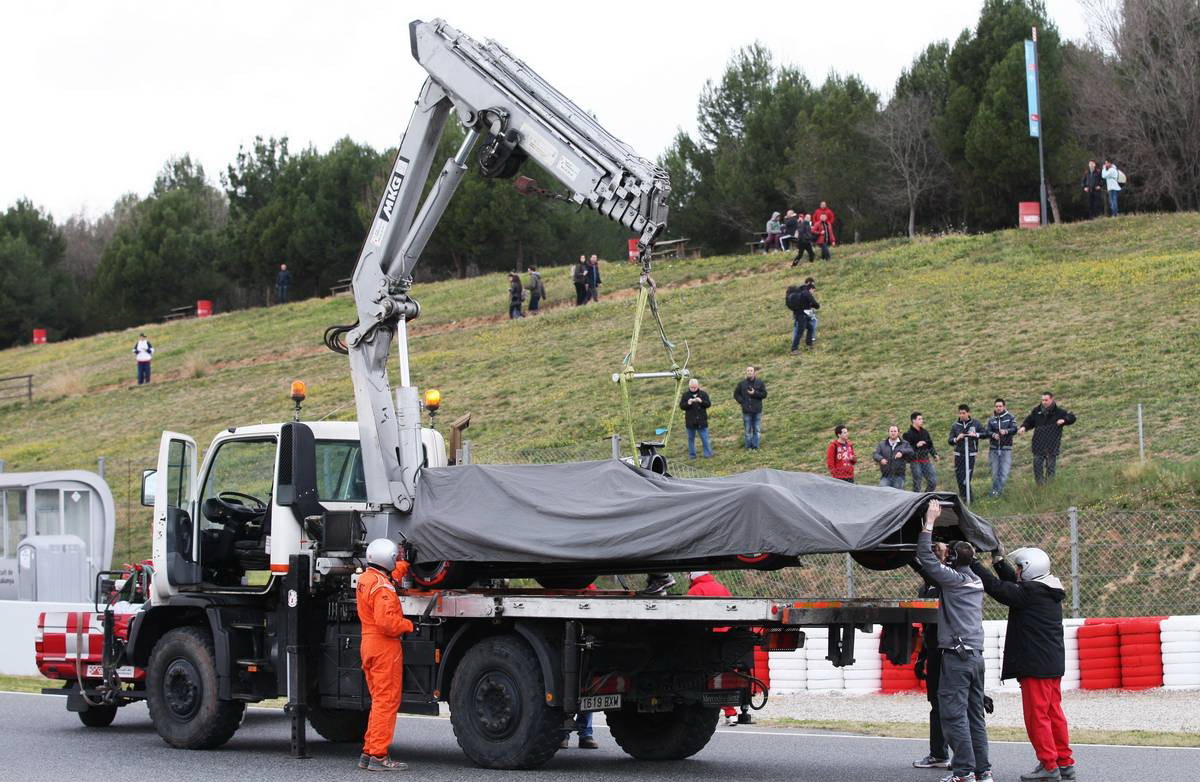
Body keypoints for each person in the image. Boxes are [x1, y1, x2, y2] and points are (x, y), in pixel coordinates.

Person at [970, 547, 1074, 781]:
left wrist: (973, 563)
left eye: (1019, 567)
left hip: (1035, 665)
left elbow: (997, 588)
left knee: (1037, 718)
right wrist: (998, 562)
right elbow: (1013, 584)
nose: (1016, 571)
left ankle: (1049, 765)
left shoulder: (1030, 593)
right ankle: (1064, 762)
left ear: (1029, 569)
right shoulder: (1046, 588)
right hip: (1050, 663)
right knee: (1054, 714)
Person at [917, 501, 991, 782]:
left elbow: (924, 557)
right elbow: (945, 566)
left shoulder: (954, 581)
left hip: (957, 657)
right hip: (975, 656)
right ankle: (982, 771)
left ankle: (963, 772)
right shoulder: (975, 581)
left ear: (952, 561)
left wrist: (930, 521)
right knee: (975, 717)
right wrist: (948, 555)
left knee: (952, 715)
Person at [356, 538, 415, 772]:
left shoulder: (367, 578)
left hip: (368, 644)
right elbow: (387, 623)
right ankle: (379, 756)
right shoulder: (383, 589)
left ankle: (369, 751)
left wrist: (405, 564)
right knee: (387, 701)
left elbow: (390, 577)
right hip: (384, 647)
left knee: (378, 700)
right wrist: (409, 625)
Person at [912, 540, 951, 771]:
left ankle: (965, 758)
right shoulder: (925, 588)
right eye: (932, 549)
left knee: (953, 704)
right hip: (934, 651)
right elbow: (925, 627)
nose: (935, 551)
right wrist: (922, 657)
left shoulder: (950, 581)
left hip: (950, 652)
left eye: (940, 549)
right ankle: (938, 753)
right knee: (936, 703)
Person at [686, 571, 741, 727]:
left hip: (707, 639)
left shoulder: (695, 590)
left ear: (692, 575)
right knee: (726, 676)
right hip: (727, 638)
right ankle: (731, 713)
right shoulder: (721, 587)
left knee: (710, 678)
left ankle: (728, 712)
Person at [1017, 392, 1077, 484]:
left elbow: (1072, 417)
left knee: (1050, 468)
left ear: (1051, 399)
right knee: (1037, 467)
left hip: (1052, 445)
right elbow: (1029, 421)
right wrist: (1023, 427)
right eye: (1042, 400)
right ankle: (1040, 487)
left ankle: (1050, 486)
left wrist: (1064, 420)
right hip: (1038, 444)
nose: (1044, 402)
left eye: (1046, 400)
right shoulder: (1036, 411)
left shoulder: (1059, 412)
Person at [949, 404, 984, 502]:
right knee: (960, 478)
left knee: (966, 478)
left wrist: (976, 434)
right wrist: (957, 438)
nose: (961, 415)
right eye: (960, 413)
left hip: (970, 454)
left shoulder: (975, 423)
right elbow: (950, 440)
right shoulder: (955, 425)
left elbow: (985, 433)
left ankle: (969, 499)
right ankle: (964, 498)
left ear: (968, 413)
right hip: (959, 455)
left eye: (963, 413)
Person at [986, 398, 1018, 498]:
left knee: (1004, 472)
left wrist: (1006, 431)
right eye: (996, 406)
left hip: (1006, 448)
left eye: (1000, 406)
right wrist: (993, 435)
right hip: (994, 449)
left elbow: (1014, 429)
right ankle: (996, 494)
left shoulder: (1010, 417)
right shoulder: (991, 419)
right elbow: (987, 431)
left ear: (1004, 407)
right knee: (995, 473)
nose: (998, 408)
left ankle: (996, 493)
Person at [733, 366, 767, 449]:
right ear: (746, 372)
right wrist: (742, 402)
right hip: (746, 410)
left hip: (757, 410)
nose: (749, 372)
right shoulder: (741, 384)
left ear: (754, 372)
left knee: (757, 429)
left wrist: (754, 393)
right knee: (747, 430)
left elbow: (764, 394)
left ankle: (755, 446)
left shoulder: (760, 382)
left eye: (751, 370)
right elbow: (736, 394)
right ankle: (748, 447)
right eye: (748, 370)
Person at [904, 412, 939, 492]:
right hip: (915, 461)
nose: (922, 420)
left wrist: (934, 454)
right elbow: (906, 449)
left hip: (926, 460)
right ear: (913, 420)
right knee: (917, 484)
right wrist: (916, 445)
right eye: (919, 419)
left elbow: (930, 445)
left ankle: (925, 497)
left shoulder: (925, 432)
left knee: (933, 481)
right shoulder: (907, 434)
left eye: (922, 419)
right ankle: (916, 499)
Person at [680, 378, 713, 458]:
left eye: (695, 387)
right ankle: (692, 455)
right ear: (689, 387)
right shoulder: (685, 395)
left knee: (705, 438)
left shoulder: (703, 394)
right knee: (690, 439)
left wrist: (701, 401)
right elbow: (682, 406)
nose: (693, 389)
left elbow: (708, 404)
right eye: (692, 387)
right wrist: (688, 403)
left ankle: (708, 454)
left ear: (698, 386)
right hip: (690, 421)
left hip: (702, 421)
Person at [873, 425, 914, 489]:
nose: (893, 433)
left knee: (898, 493)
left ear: (898, 433)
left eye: (895, 431)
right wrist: (881, 459)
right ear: (888, 432)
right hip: (886, 476)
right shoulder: (882, 444)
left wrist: (902, 452)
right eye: (891, 431)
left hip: (899, 476)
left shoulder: (904, 443)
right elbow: (875, 454)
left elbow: (911, 451)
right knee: (882, 492)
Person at [789, 277, 818, 353]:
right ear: (811, 288)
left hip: (801, 314)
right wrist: (815, 305)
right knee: (800, 331)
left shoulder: (801, 291)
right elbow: (815, 304)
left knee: (810, 327)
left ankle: (809, 345)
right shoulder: (806, 293)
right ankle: (794, 349)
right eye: (813, 290)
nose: (813, 292)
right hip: (801, 315)